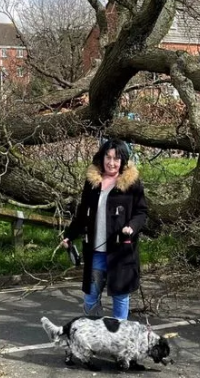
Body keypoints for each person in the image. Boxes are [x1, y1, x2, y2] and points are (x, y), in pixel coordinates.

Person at [61, 137, 149, 320]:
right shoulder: (92, 183)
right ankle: (95, 332)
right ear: (101, 158)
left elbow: (142, 212)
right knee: (91, 296)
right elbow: (82, 213)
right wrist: (69, 235)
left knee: (120, 295)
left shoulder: (132, 184)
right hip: (96, 251)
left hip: (121, 251)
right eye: (108, 157)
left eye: (116, 158)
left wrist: (131, 227)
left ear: (123, 160)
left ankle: (119, 335)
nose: (111, 163)